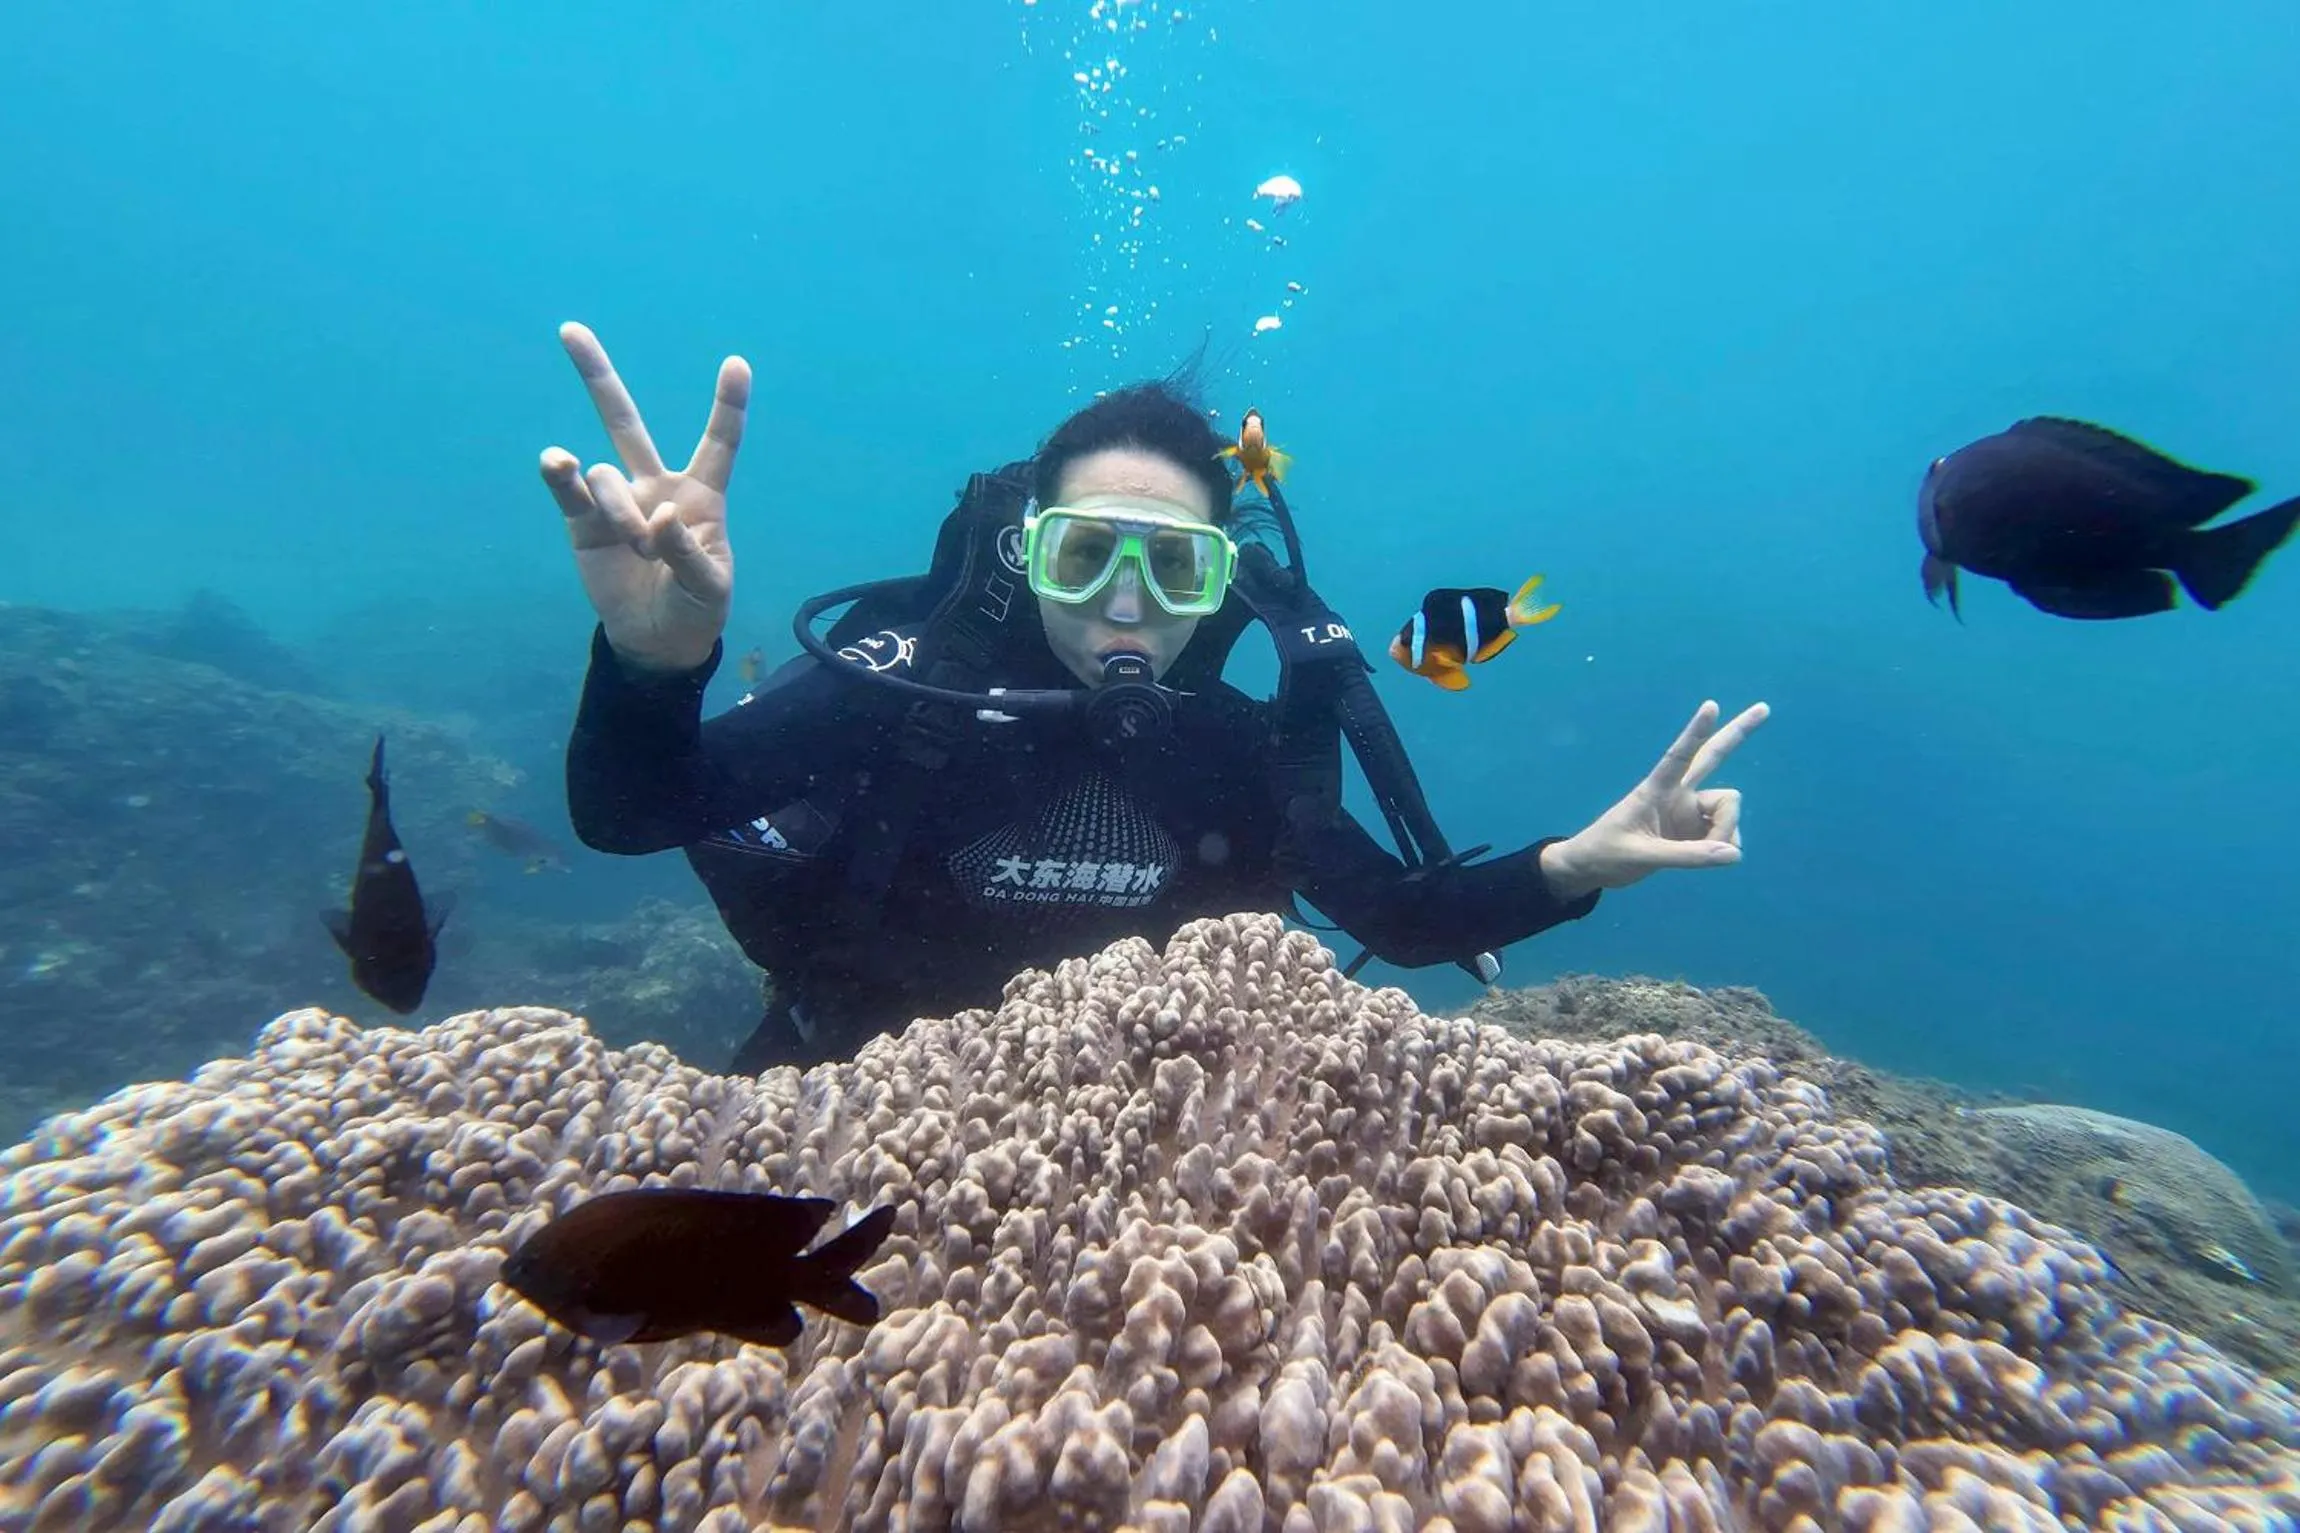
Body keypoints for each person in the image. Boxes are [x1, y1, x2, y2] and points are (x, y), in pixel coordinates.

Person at [543, 321, 1769, 1070]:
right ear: (1027, 554)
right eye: (1086, 554)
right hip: (844, 1099)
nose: (1126, 607)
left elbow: (1391, 915)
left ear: (1221, 581)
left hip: (1151, 1143)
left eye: (1173, 564)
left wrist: (1578, 865)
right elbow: (634, 809)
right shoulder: (905, 694)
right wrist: (656, 660)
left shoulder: (1231, 748)